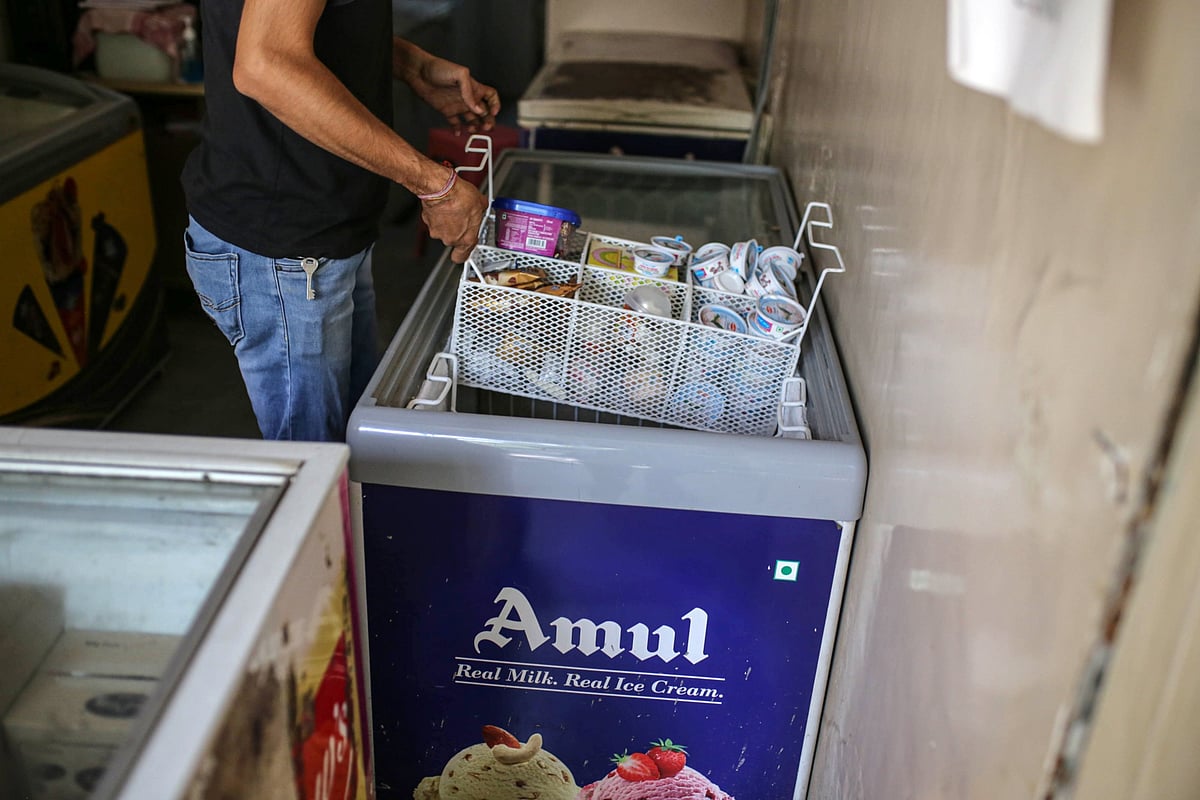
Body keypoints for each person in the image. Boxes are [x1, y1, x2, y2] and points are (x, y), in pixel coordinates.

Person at [180, 0, 500, 442]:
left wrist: (411, 64)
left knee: (357, 444)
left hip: (329, 238)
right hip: (286, 254)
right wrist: (433, 184)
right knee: (321, 473)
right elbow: (265, 63)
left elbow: (309, 25)